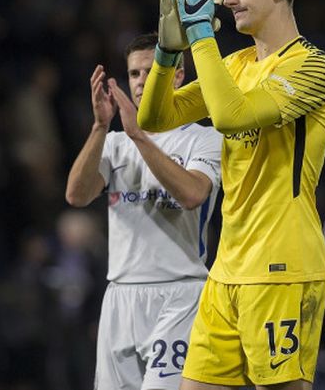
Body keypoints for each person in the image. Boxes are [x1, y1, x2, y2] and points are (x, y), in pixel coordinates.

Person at [137, 0, 325, 390]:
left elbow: (230, 117)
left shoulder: (314, 68)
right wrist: (170, 54)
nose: (227, 0)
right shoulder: (235, 65)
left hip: (282, 267)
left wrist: (200, 36)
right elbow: (154, 118)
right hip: (226, 268)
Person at [65, 33, 222, 390]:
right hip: (120, 293)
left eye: (151, 72)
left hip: (180, 294)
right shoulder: (115, 143)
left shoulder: (203, 139)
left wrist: (139, 135)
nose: (139, 82)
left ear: (177, 76)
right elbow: (76, 194)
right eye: (134, 74)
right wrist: (100, 127)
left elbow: (193, 194)